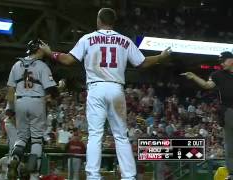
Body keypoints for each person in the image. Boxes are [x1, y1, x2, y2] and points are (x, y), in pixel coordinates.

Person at [40, 8, 171, 180]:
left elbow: (68, 60)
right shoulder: (124, 40)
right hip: (116, 89)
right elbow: (142, 63)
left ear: (99, 20)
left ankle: (93, 176)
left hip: (96, 88)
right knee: (121, 136)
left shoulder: (88, 38)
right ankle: (129, 176)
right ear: (113, 21)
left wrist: (50, 53)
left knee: (95, 134)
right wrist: (161, 57)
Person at [6, 39, 59, 180]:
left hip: (20, 101)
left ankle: (14, 159)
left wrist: (10, 110)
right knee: (36, 139)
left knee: (22, 137)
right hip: (36, 101)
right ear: (39, 49)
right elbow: (51, 91)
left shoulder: (17, 65)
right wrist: (61, 87)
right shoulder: (42, 66)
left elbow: (10, 90)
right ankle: (32, 170)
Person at [182, 51, 233, 180]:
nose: (221, 63)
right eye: (220, 61)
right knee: (229, 144)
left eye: (224, 60)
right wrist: (193, 76)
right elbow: (207, 85)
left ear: (231, 60)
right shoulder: (217, 74)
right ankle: (232, 174)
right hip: (228, 111)